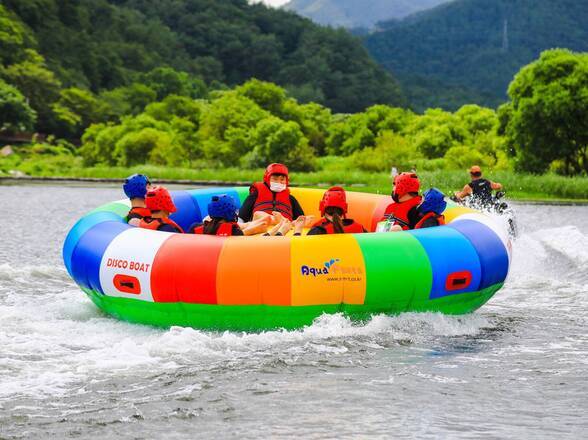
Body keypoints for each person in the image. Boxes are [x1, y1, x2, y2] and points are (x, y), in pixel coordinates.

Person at [238, 163, 304, 222]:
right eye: (275, 179)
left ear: (286, 181)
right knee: (258, 214)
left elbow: (301, 219)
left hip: (283, 229)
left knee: (308, 219)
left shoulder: (290, 198)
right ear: (267, 179)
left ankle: (280, 222)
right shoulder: (255, 195)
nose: (279, 182)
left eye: (282, 179)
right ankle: (276, 220)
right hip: (261, 226)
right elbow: (242, 216)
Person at [295, 187, 366, 235]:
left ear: (322, 208)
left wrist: (298, 230)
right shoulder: (359, 228)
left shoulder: (318, 231)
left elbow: (299, 251)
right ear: (344, 209)